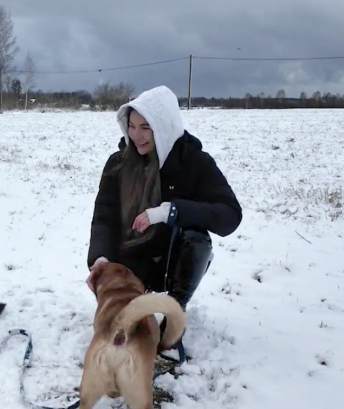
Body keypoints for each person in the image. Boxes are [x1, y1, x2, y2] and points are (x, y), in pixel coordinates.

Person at [86, 85, 242, 328]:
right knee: (120, 328)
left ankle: (174, 315)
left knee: (196, 238)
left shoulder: (194, 162)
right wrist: (100, 259)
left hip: (172, 259)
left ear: (164, 127)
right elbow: (104, 216)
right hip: (131, 255)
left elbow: (230, 215)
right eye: (132, 126)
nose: (136, 136)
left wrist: (170, 212)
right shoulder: (118, 164)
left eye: (146, 127)